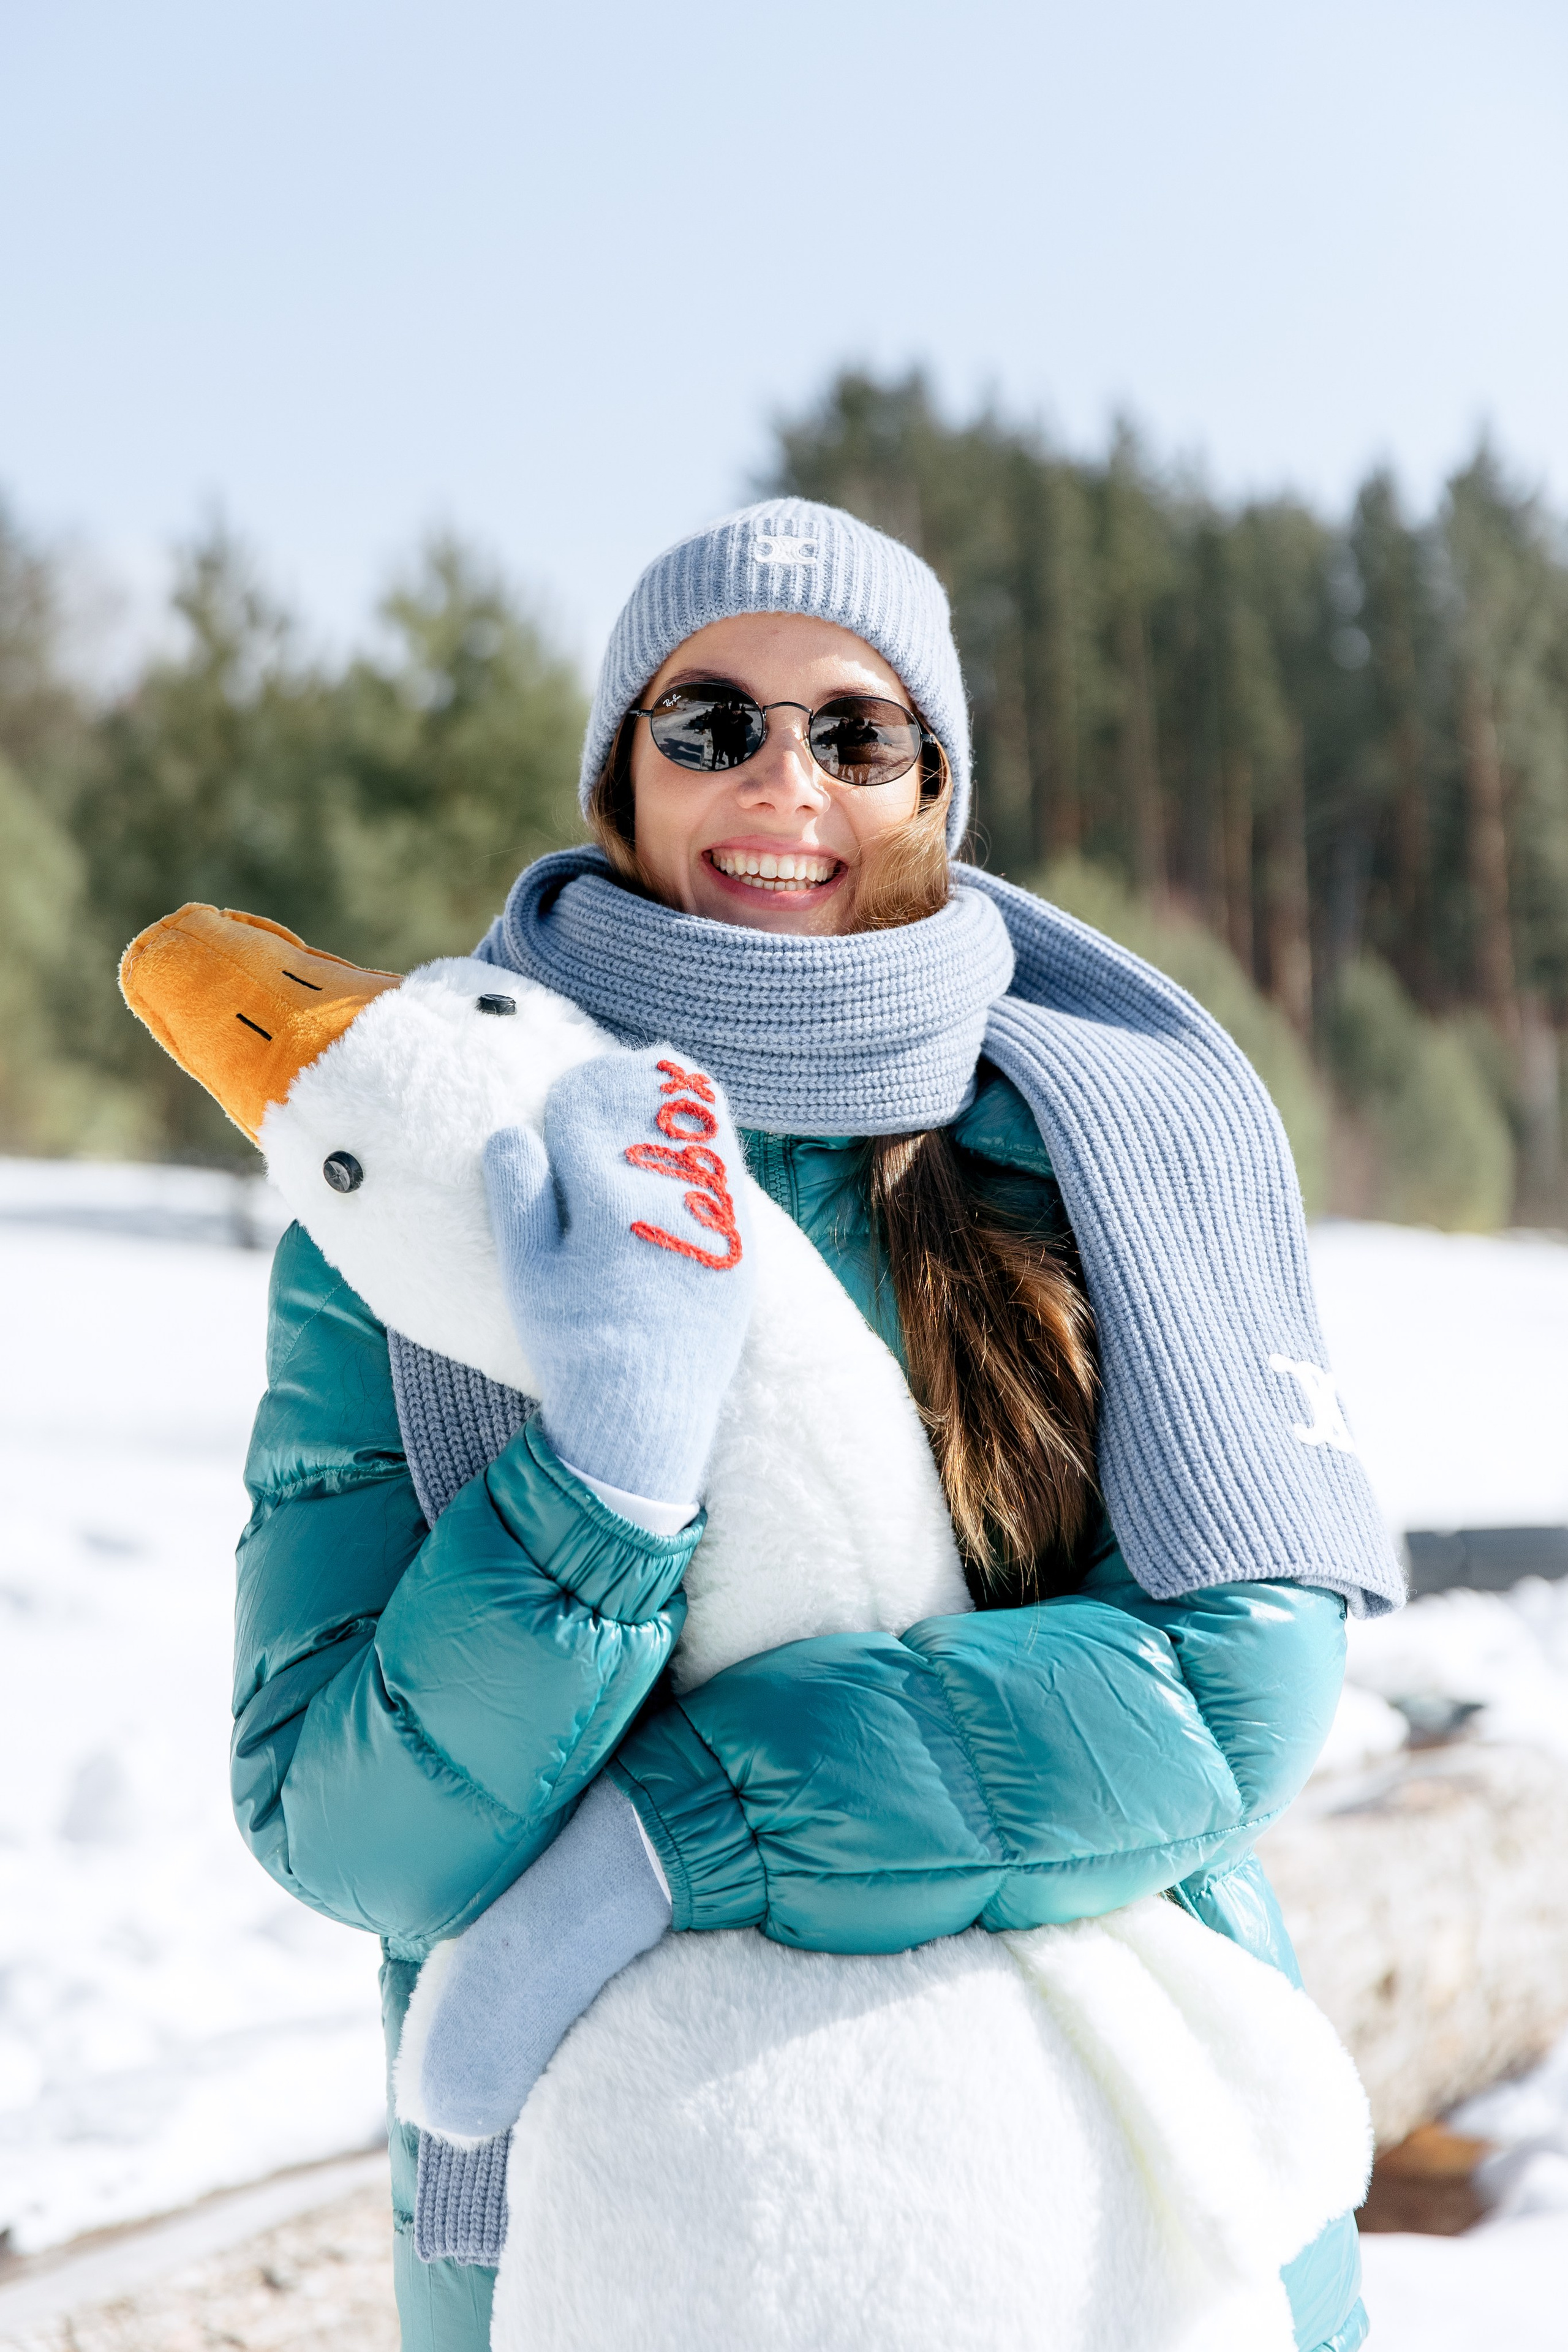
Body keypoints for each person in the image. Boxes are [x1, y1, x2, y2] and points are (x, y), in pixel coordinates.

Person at [233, 499, 1396, 2352]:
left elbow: (1232, 1695)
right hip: (621, 2245)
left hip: (1129, 2214)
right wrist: (601, 1490)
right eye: (711, 725)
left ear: (937, 784)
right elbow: (350, 1824)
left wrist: (687, 1831)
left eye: (855, 732)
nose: (783, 782)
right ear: (622, 774)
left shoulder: (1105, 1144)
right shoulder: (427, 1181)